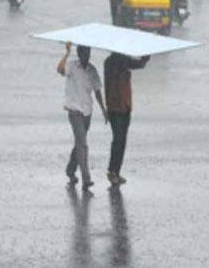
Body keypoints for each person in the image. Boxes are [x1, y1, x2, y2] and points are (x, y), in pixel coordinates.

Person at [57, 43, 108, 191]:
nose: (86, 55)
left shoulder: (92, 70)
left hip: (87, 112)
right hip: (74, 111)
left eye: (88, 52)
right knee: (83, 145)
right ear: (79, 53)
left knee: (80, 143)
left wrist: (104, 110)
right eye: (83, 52)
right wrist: (66, 53)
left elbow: (97, 91)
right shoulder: (72, 66)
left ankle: (70, 170)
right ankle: (86, 178)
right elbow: (59, 69)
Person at [104, 52, 150, 185]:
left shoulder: (115, 60)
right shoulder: (115, 61)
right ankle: (113, 172)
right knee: (119, 140)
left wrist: (144, 59)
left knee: (120, 140)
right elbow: (138, 65)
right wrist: (144, 59)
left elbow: (139, 64)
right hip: (117, 107)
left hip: (123, 106)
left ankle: (115, 171)